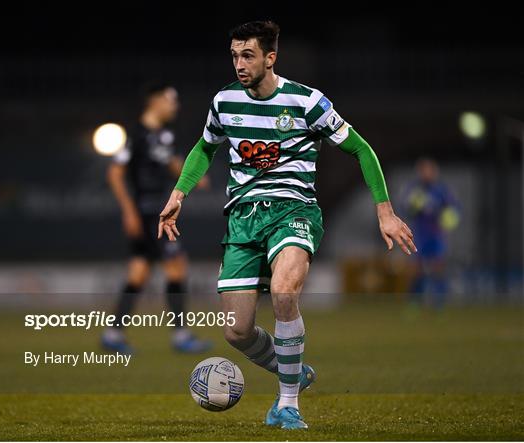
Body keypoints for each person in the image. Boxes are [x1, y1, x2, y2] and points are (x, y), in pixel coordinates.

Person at [158, 21, 416, 429]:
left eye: (248, 56)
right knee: (237, 332)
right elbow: (204, 148)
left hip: (293, 211)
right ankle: (293, 370)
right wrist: (178, 194)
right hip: (243, 220)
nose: (239, 64)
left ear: (270, 57)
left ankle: (288, 403)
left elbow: (361, 149)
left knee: (283, 292)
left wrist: (385, 211)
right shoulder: (224, 102)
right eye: (234, 55)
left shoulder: (307, 102)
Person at [101, 81, 212, 355]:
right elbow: (114, 174)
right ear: (156, 102)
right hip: (148, 213)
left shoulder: (163, 136)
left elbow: (171, 163)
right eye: (171, 100)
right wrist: (129, 211)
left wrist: (193, 177)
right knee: (177, 266)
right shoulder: (136, 134)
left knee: (138, 273)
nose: (176, 106)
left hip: (153, 212)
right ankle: (181, 335)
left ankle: (113, 334)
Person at [401, 158, 459, 306]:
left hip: (436, 235)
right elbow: (406, 210)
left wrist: (448, 219)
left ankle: (439, 304)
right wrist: (414, 206)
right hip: (419, 235)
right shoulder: (414, 189)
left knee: (437, 269)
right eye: (424, 170)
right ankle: (414, 303)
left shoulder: (441, 191)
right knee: (416, 270)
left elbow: (454, 210)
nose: (427, 174)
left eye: (430, 170)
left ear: (434, 172)